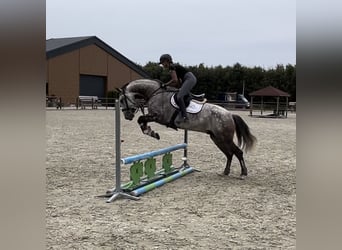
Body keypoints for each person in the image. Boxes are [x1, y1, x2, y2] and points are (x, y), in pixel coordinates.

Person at [159, 54, 197, 121]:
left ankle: (184, 117)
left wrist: (165, 85)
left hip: (189, 79)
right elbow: (178, 81)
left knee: (179, 97)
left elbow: (174, 80)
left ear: (166, 61)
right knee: (178, 92)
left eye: (162, 63)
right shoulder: (173, 66)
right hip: (189, 78)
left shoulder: (171, 67)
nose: (162, 65)